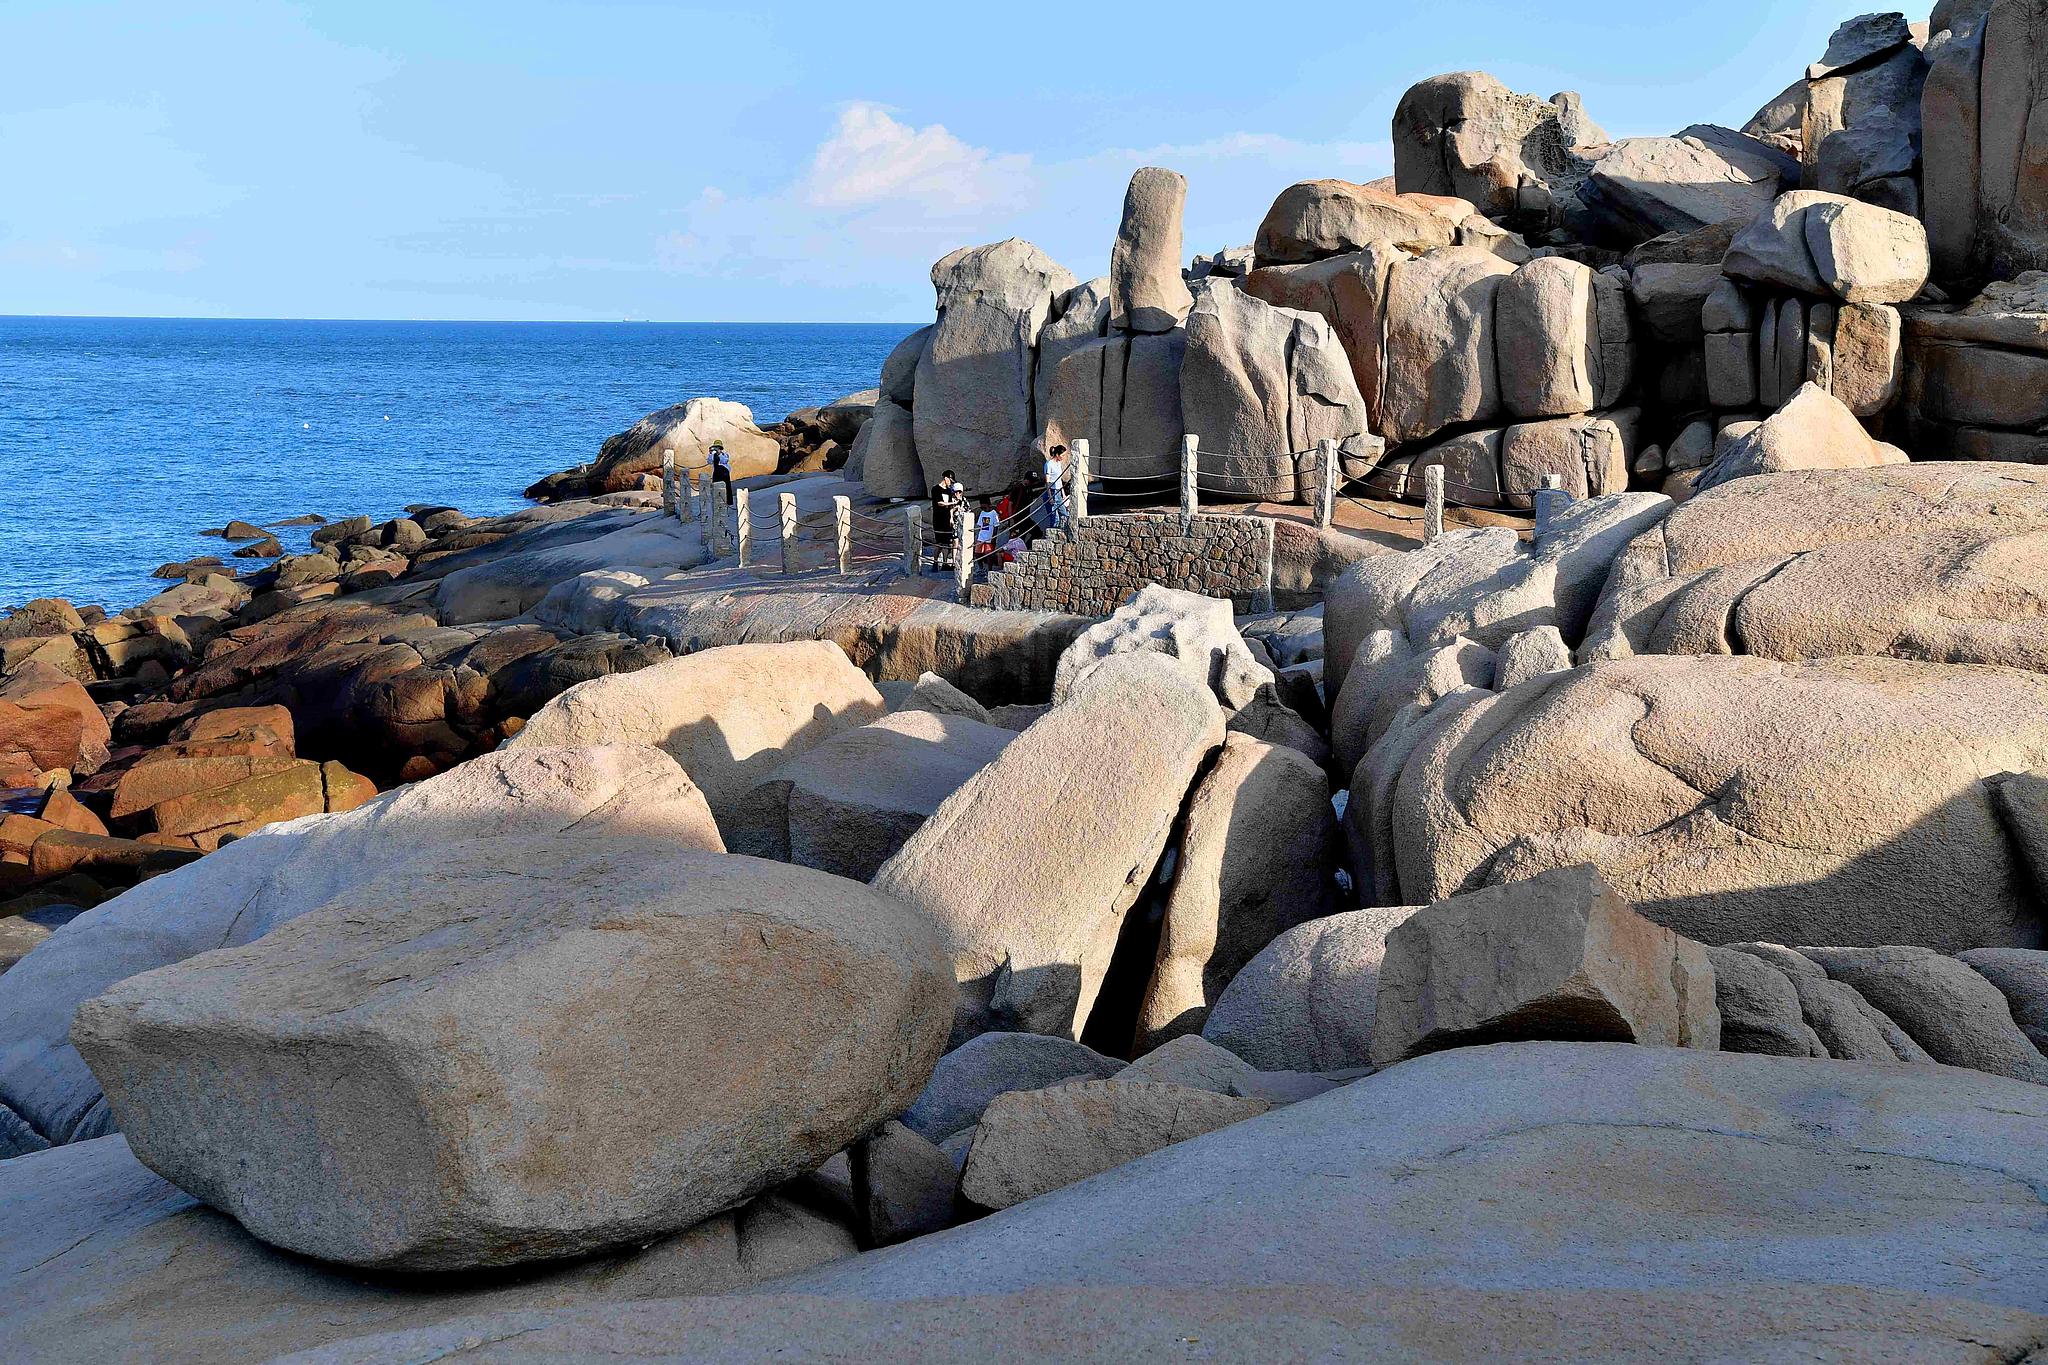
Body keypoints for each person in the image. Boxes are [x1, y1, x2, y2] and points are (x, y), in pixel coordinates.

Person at [931, 470, 964, 570]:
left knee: (947, 542)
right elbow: (939, 503)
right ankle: (935, 562)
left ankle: (945, 563)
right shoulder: (936, 489)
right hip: (938, 518)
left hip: (946, 519)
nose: (951, 483)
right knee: (939, 542)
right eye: (950, 480)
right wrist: (952, 504)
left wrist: (950, 518)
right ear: (945, 478)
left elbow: (950, 507)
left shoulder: (948, 491)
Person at [1042, 444, 1068, 531]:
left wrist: (1063, 493)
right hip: (1052, 492)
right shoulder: (1049, 464)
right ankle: (1052, 537)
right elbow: (1047, 482)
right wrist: (1050, 497)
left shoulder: (1058, 463)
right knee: (1054, 517)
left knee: (1064, 513)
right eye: (1062, 455)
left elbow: (1059, 479)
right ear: (1057, 455)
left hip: (1058, 492)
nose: (1063, 457)